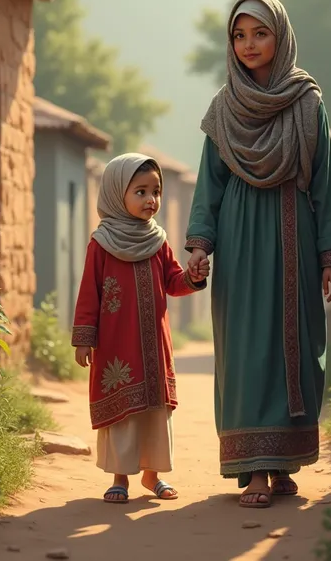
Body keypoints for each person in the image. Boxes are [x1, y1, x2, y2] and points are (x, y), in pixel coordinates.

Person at [186, 0, 331, 509]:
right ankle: (254, 469)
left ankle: (283, 463)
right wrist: (199, 244)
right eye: (239, 35)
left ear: (280, 36)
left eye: (260, 33)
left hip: (293, 234)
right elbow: (208, 186)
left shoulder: (307, 102)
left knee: (293, 347)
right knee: (246, 349)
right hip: (238, 240)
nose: (249, 45)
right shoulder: (223, 108)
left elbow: (324, 184)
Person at [72, 153, 209, 504]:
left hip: (154, 347)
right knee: (123, 412)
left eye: (156, 191)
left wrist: (192, 277)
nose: (151, 200)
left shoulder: (158, 241)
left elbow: (173, 282)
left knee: (154, 410)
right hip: (118, 345)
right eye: (141, 191)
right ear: (118, 194)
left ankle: (153, 476)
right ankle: (120, 477)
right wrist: (84, 339)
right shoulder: (101, 244)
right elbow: (90, 293)